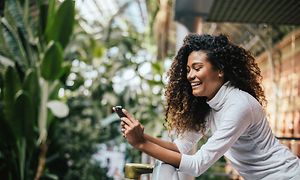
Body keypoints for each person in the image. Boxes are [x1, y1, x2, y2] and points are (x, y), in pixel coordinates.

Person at [114, 34, 300, 179]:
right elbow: (179, 148)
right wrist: (140, 134)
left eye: (197, 67)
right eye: (188, 70)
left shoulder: (239, 105)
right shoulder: (210, 104)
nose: (190, 76)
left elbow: (197, 165)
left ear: (220, 70)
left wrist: (140, 144)